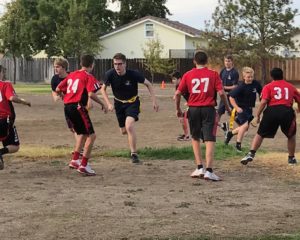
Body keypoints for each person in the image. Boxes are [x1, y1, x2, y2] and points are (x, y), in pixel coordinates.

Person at [174, 50, 231, 181]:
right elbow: (222, 93)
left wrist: (178, 109)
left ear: (194, 61)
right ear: (207, 61)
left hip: (193, 109)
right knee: (210, 138)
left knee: (195, 137)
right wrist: (227, 108)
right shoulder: (213, 74)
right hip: (208, 109)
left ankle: (199, 167)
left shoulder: (188, 75)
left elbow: (177, 94)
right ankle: (209, 171)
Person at [101, 53, 159, 164]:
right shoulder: (110, 74)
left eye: (120, 64)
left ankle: (134, 154)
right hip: (118, 104)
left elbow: (149, 84)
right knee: (123, 131)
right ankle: (131, 137)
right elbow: (102, 89)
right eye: (115, 64)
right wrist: (108, 103)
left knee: (129, 126)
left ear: (125, 64)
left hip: (132, 103)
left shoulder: (133, 74)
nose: (117, 67)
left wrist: (154, 101)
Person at [56, 55, 108, 176]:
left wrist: (65, 97)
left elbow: (58, 88)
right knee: (91, 136)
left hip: (68, 107)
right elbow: (91, 94)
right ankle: (84, 165)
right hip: (78, 106)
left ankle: (75, 160)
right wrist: (103, 104)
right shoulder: (88, 76)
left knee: (82, 134)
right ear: (92, 65)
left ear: (81, 63)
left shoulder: (72, 74)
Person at [241, 67, 300, 165]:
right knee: (291, 135)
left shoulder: (268, 86)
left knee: (260, 134)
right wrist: (298, 109)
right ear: (283, 75)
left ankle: (251, 153)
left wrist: (258, 115)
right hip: (286, 111)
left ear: (272, 77)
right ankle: (291, 158)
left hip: (272, 111)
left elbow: (264, 102)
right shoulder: (291, 87)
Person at [0, 65, 31, 170]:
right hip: (4, 119)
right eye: (3, 72)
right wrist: (24, 101)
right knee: (14, 145)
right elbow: (12, 97)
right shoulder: (5, 84)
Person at [224, 67, 262, 152]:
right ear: (244, 77)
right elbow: (231, 97)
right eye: (248, 77)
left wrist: (262, 99)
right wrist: (237, 108)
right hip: (241, 109)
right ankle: (238, 145)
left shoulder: (255, 84)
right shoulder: (240, 87)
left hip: (249, 109)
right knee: (244, 126)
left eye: (251, 77)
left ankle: (230, 134)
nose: (250, 78)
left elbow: (261, 93)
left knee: (245, 128)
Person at [216, 55, 239, 135]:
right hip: (223, 96)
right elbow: (219, 82)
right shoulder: (222, 71)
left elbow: (235, 86)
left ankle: (242, 126)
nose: (227, 63)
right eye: (226, 61)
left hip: (231, 96)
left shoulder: (234, 72)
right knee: (219, 112)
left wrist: (224, 87)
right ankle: (215, 129)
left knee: (233, 113)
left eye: (229, 61)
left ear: (232, 62)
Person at [171, 71, 190, 141]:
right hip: (192, 104)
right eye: (172, 79)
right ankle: (222, 125)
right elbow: (177, 94)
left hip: (195, 103)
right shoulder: (177, 86)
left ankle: (187, 136)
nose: (173, 81)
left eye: (174, 79)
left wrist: (189, 103)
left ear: (180, 79)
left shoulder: (185, 84)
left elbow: (193, 94)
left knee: (182, 116)